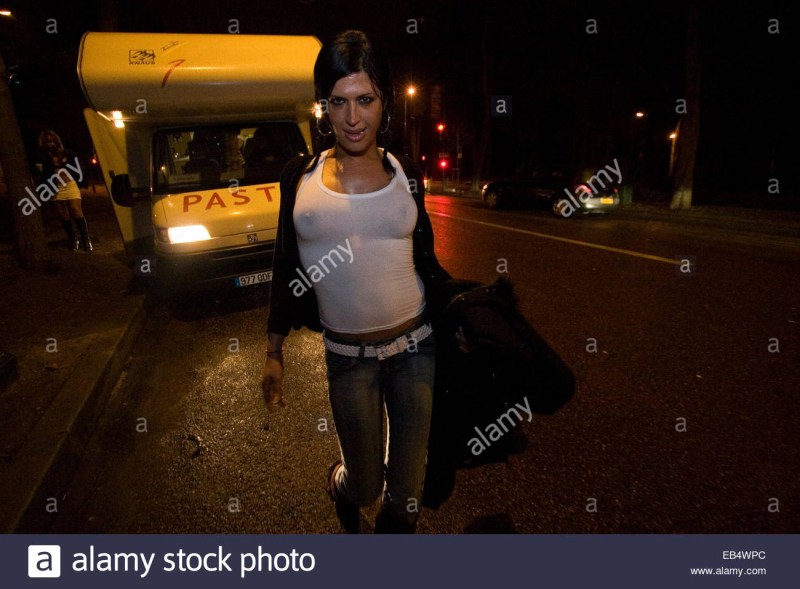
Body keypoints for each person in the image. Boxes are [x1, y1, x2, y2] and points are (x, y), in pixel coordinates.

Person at [260, 30, 451, 534]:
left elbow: (426, 261)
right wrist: (274, 351)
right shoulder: (299, 176)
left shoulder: (406, 171)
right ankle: (339, 483)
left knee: (405, 503)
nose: (352, 118)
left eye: (365, 100)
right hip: (348, 360)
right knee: (364, 487)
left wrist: (471, 314)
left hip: (417, 350)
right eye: (338, 101)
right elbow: (285, 265)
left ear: (384, 101)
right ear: (323, 105)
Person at [36, 130, 92, 252]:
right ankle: (74, 240)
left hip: (70, 185)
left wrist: (81, 178)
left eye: (53, 141)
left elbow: (79, 166)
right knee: (63, 215)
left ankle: (86, 240)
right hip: (55, 187)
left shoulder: (68, 153)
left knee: (76, 210)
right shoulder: (44, 156)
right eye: (48, 142)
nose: (51, 144)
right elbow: (43, 173)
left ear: (57, 141)